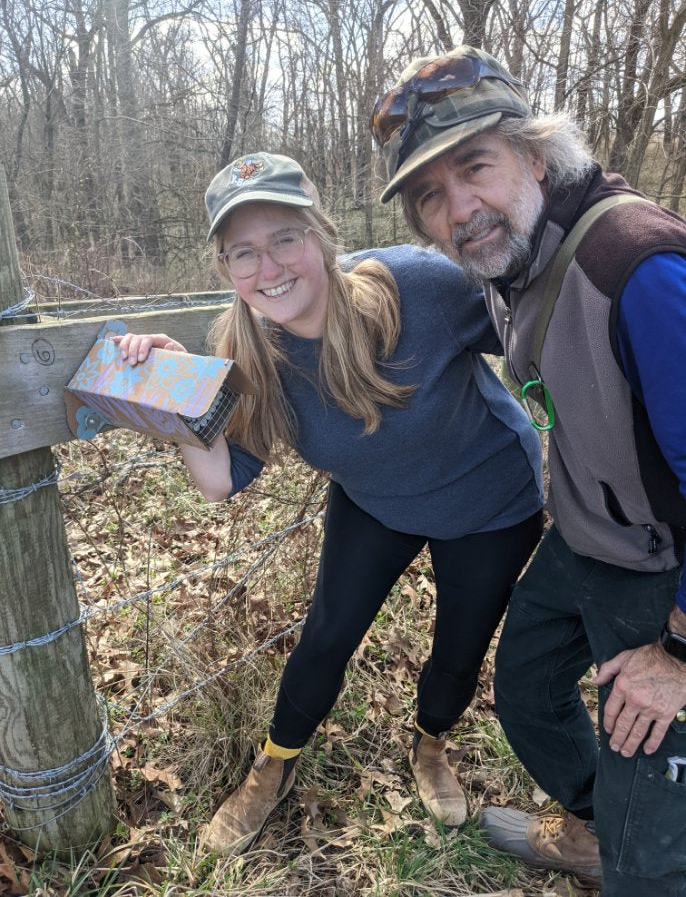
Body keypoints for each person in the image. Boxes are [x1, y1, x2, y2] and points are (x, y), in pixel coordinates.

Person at [116, 151, 544, 859]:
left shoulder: (419, 287)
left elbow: (538, 331)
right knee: (325, 635)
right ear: (224, 269)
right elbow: (220, 480)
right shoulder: (251, 356)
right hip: (375, 501)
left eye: (285, 237)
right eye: (243, 252)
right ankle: (274, 762)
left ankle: (430, 743)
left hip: (490, 501)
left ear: (321, 235)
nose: (270, 266)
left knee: (459, 649)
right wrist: (174, 393)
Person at [373, 44, 686, 896]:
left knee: (652, 846)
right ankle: (600, 823)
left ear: (537, 153)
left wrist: (678, 654)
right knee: (525, 690)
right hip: (586, 537)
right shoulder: (510, 261)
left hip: (663, 571)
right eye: (430, 195)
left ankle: (640, 850)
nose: (458, 208)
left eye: (475, 166)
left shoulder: (637, 268)